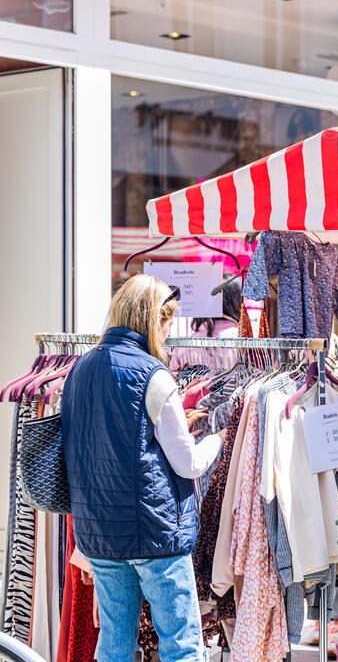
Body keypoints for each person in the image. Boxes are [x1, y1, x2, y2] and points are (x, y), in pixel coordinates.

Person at [62, 274, 224, 662]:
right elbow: (187, 464)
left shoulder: (78, 371)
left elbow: (108, 439)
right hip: (154, 534)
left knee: (115, 643)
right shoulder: (153, 376)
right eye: (168, 325)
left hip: (99, 531)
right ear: (155, 320)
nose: (168, 336)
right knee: (181, 644)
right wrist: (217, 439)